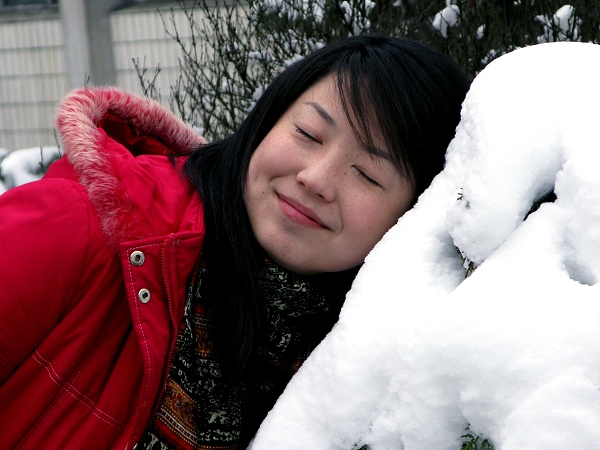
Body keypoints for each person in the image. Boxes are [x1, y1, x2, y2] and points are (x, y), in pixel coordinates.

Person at [0, 35, 470, 449]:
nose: (316, 179)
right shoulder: (87, 225)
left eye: (367, 174)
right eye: (308, 133)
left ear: (413, 215)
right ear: (266, 121)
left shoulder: (371, 372)